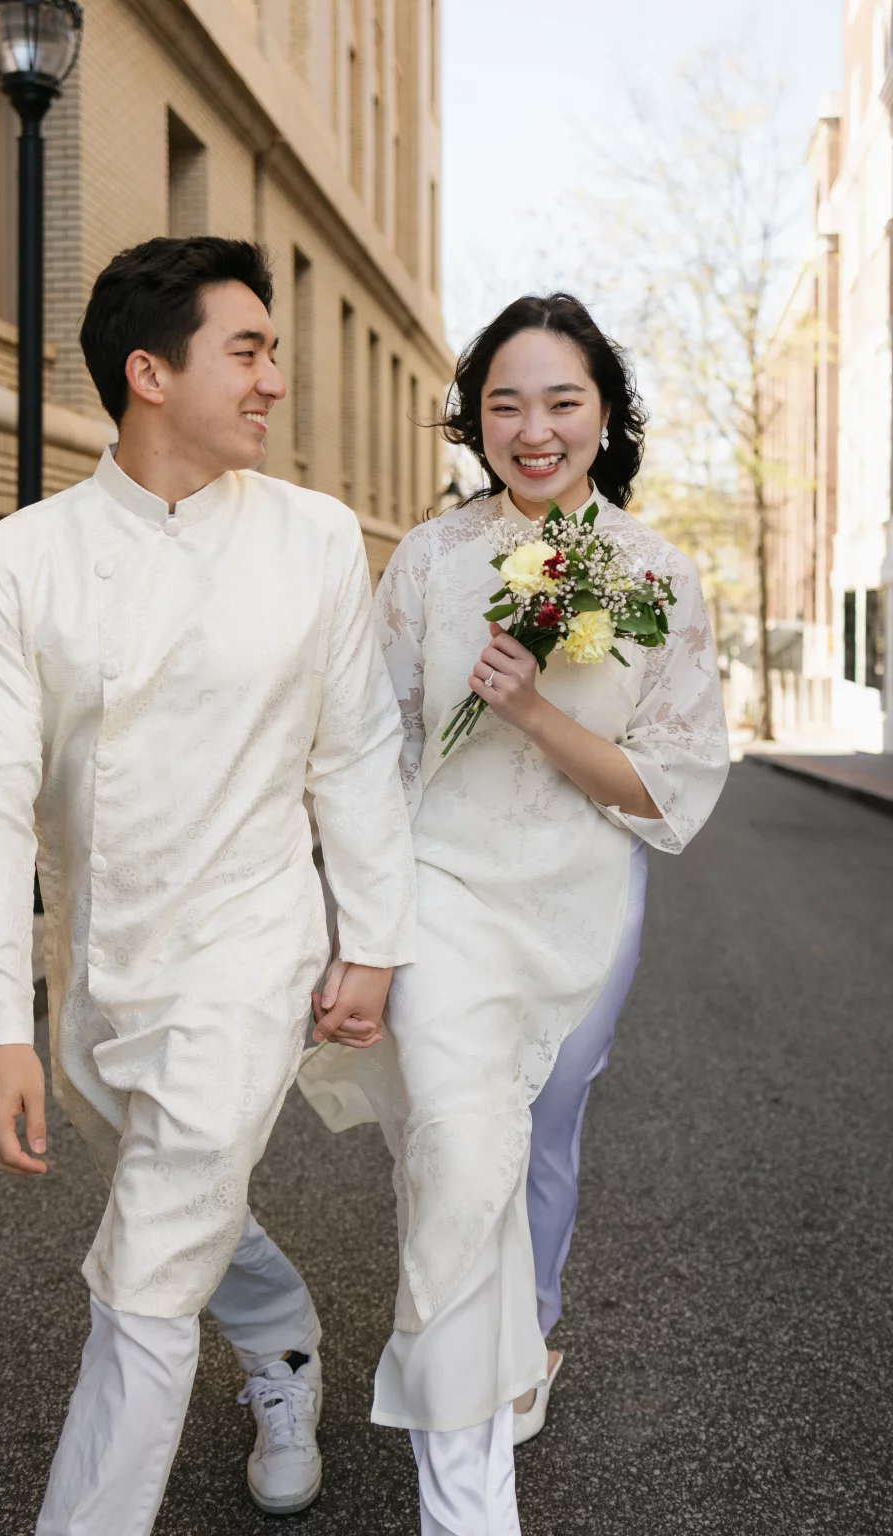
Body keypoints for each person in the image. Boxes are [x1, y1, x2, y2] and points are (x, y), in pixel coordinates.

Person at [0, 236, 415, 1535]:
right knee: (177, 1203)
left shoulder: (315, 540)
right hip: (96, 968)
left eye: (272, 352)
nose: (273, 380)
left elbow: (358, 750)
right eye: (246, 350)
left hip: (252, 952)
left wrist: (367, 937)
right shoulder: (13, 568)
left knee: (146, 1273)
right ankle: (282, 1338)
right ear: (150, 372)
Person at [301, 292, 729, 1534]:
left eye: (561, 402)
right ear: (472, 418)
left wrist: (537, 707)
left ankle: (521, 1332)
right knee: (456, 1141)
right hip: (439, 891)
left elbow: (670, 787)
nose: (532, 430)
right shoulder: (430, 560)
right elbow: (372, 749)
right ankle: (465, 1491)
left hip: (584, 900)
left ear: (604, 414)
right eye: (504, 403)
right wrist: (359, 924)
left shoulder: (655, 575)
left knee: (538, 1132)